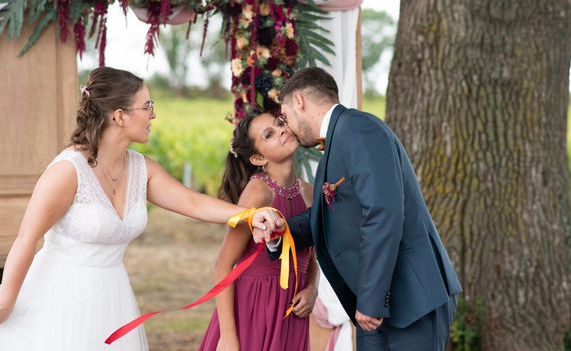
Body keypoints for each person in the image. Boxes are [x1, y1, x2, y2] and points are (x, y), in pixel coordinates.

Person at [0, 67, 278, 351]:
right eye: (147, 106)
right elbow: (26, 238)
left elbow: (193, 203)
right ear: (120, 116)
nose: (153, 114)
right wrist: (5, 303)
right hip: (59, 297)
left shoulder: (141, 169)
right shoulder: (68, 171)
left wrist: (249, 214)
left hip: (112, 298)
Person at [268, 67, 462, 350]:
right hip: (374, 307)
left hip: (409, 300)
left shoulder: (360, 129)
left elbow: (383, 214)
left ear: (299, 101)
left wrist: (371, 301)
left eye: (285, 116)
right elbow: (328, 215)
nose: (289, 127)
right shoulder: (338, 141)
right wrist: (282, 231)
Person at [199, 111, 319, 351]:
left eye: (280, 123)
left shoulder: (309, 192)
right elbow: (223, 266)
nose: (282, 131)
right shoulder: (259, 193)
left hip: (291, 310)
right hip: (256, 305)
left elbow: (312, 256)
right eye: (269, 134)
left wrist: (312, 289)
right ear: (257, 158)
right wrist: (229, 336)